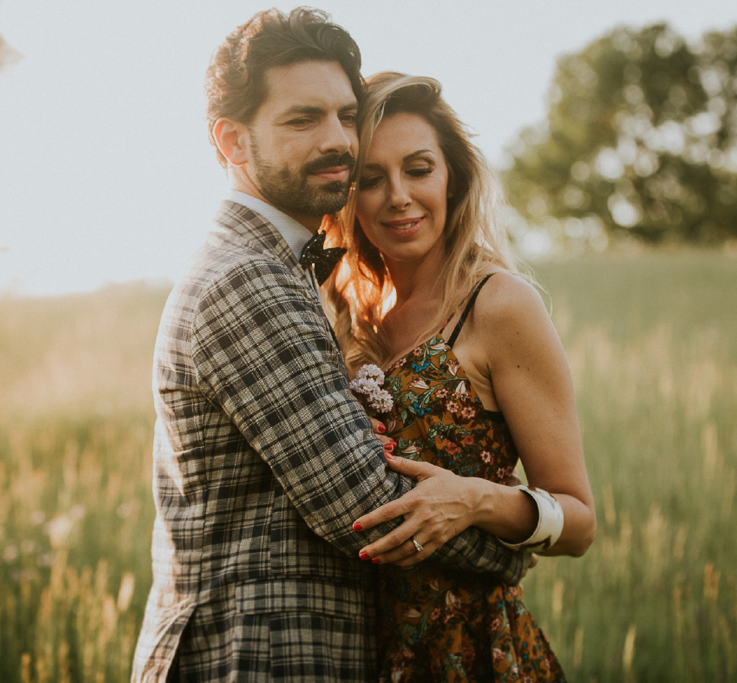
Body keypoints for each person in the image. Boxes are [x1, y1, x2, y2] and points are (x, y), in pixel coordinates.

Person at [131, 10, 528, 683]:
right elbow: (364, 509)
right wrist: (511, 549)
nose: (338, 140)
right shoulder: (247, 279)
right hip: (254, 658)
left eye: (346, 116)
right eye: (302, 119)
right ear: (232, 140)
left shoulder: (281, 268)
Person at [323, 73, 597, 682]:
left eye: (418, 169)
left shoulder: (498, 303)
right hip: (360, 647)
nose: (398, 196)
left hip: (471, 647)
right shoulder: (357, 317)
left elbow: (579, 521)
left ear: (454, 176)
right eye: (371, 178)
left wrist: (475, 500)